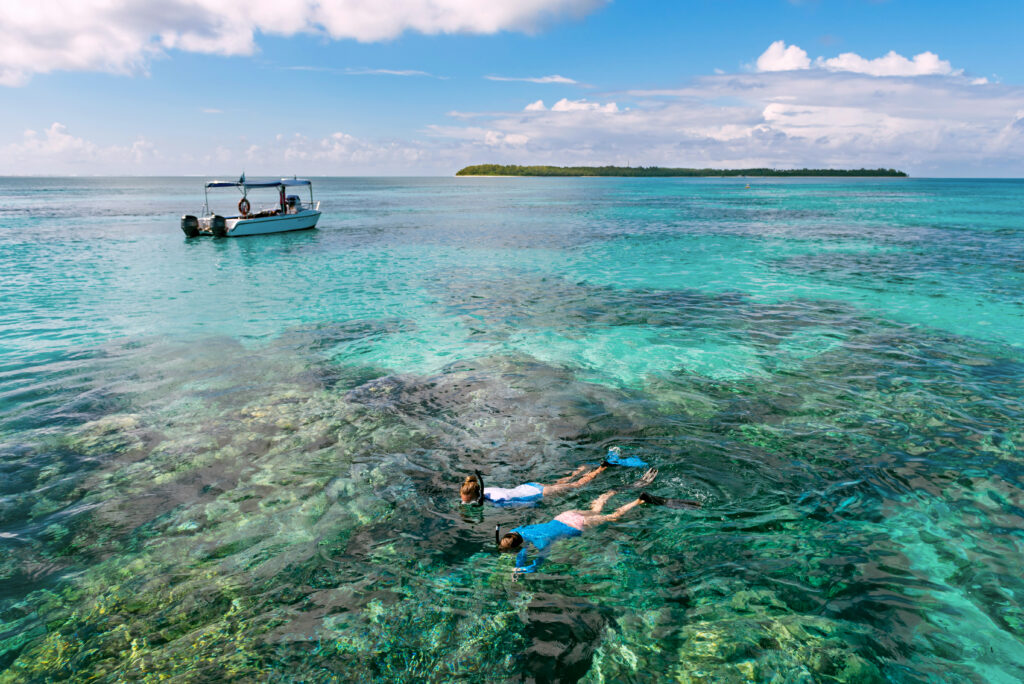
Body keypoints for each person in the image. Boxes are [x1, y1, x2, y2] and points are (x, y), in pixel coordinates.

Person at [497, 490, 699, 574]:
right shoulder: (517, 530)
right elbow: (520, 548)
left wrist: (520, 570)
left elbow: (536, 564)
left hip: (577, 525)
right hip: (564, 516)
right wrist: (517, 562)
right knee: (596, 509)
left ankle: (640, 500)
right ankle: (612, 491)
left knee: (613, 517)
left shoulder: (541, 545)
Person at [459, 448, 652, 506]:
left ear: (476, 495)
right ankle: (582, 468)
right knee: (564, 481)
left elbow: (524, 504)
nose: (464, 502)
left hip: (538, 492)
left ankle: (603, 467)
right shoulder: (487, 490)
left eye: (466, 500)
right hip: (530, 485)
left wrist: (539, 505)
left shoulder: (498, 500)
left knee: (576, 486)